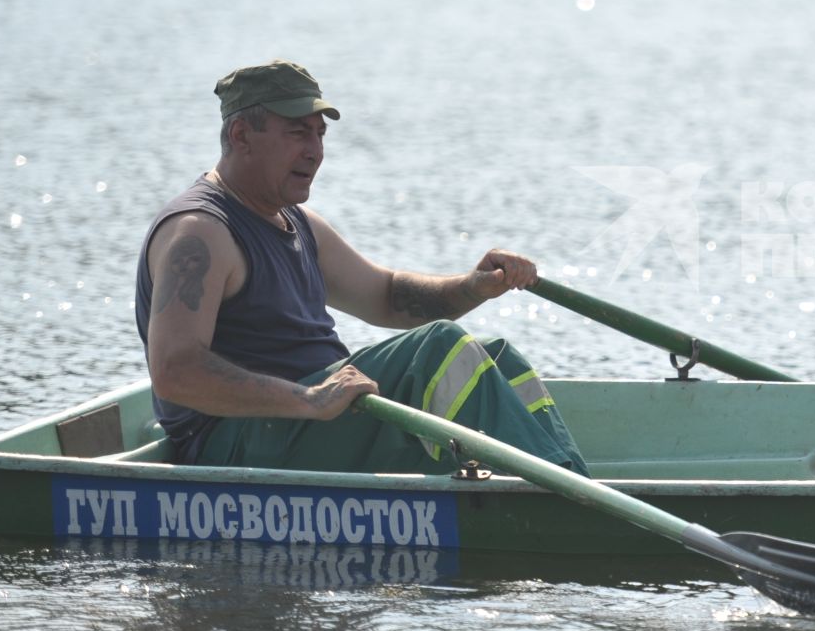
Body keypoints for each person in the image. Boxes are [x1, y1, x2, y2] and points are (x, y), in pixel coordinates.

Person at [134, 60, 589, 476]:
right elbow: (175, 371)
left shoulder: (298, 223)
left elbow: (389, 297)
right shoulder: (199, 234)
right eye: (297, 132)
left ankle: (566, 479)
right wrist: (308, 399)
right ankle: (565, 503)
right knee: (439, 349)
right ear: (240, 136)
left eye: (320, 134)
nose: (315, 151)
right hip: (240, 443)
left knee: (496, 356)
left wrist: (472, 287)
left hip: (313, 421)